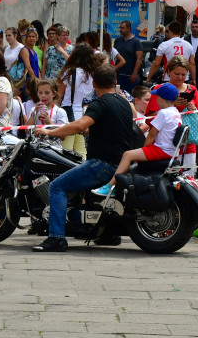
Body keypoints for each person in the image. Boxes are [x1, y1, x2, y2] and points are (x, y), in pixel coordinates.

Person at [32, 65, 137, 252]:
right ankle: (108, 233)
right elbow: (108, 127)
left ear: (94, 83)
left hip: (102, 163)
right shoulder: (124, 103)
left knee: (57, 187)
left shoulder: (99, 104)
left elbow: (80, 124)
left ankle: (56, 238)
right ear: (115, 83)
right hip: (121, 163)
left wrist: (50, 132)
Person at [114, 82, 182, 177]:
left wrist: (144, 150)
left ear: (160, 99)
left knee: (127, 154)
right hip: (172, 152)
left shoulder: (163, 113)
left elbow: (151, 135)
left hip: (162, 150)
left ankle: (110, 186)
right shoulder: (176, 112)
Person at [57, 45, 101, 156]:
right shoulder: (94, 74)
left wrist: (55, 110)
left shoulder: (68, 72)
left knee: (66, 149)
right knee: (82, 150)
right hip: (86, 114)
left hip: (68, 113)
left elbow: (59, 95)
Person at [112, 21, 143, 92]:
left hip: (130, 75)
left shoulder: (136, 42)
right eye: (120, 28)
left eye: (122, 28)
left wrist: (134, 73)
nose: (120, 29)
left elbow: (139, 58)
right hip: (119, 75)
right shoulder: (117, 41)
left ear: (129, 29)